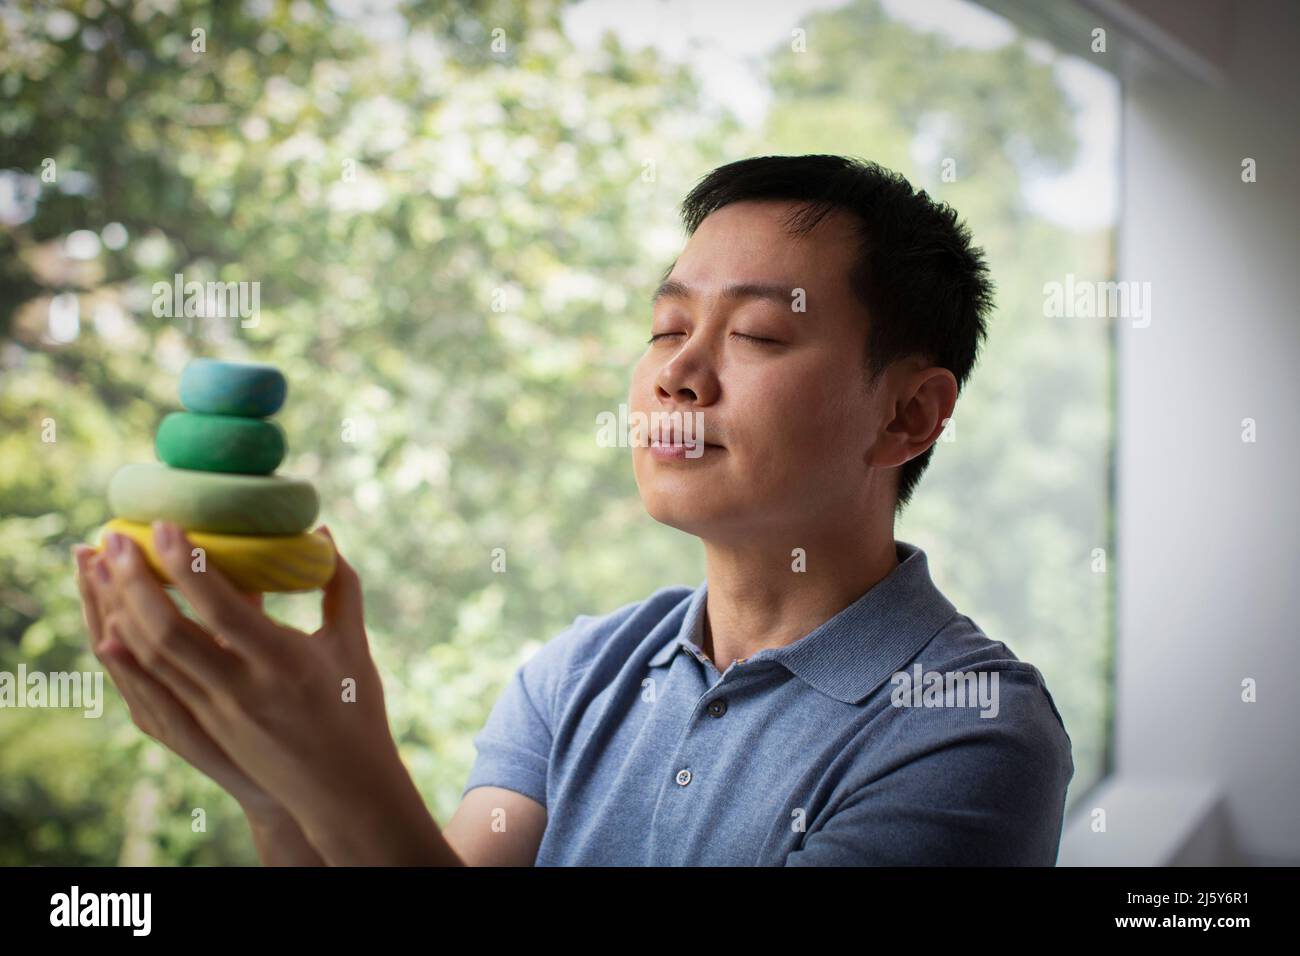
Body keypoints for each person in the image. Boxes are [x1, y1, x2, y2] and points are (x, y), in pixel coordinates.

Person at [73, 154, 1073, 866]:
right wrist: (273, 786)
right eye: (666, 324)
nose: (677, 370)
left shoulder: (971, 736)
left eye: (761, 334)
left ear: (909, 413)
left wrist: (347, 771)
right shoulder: (577, 676)